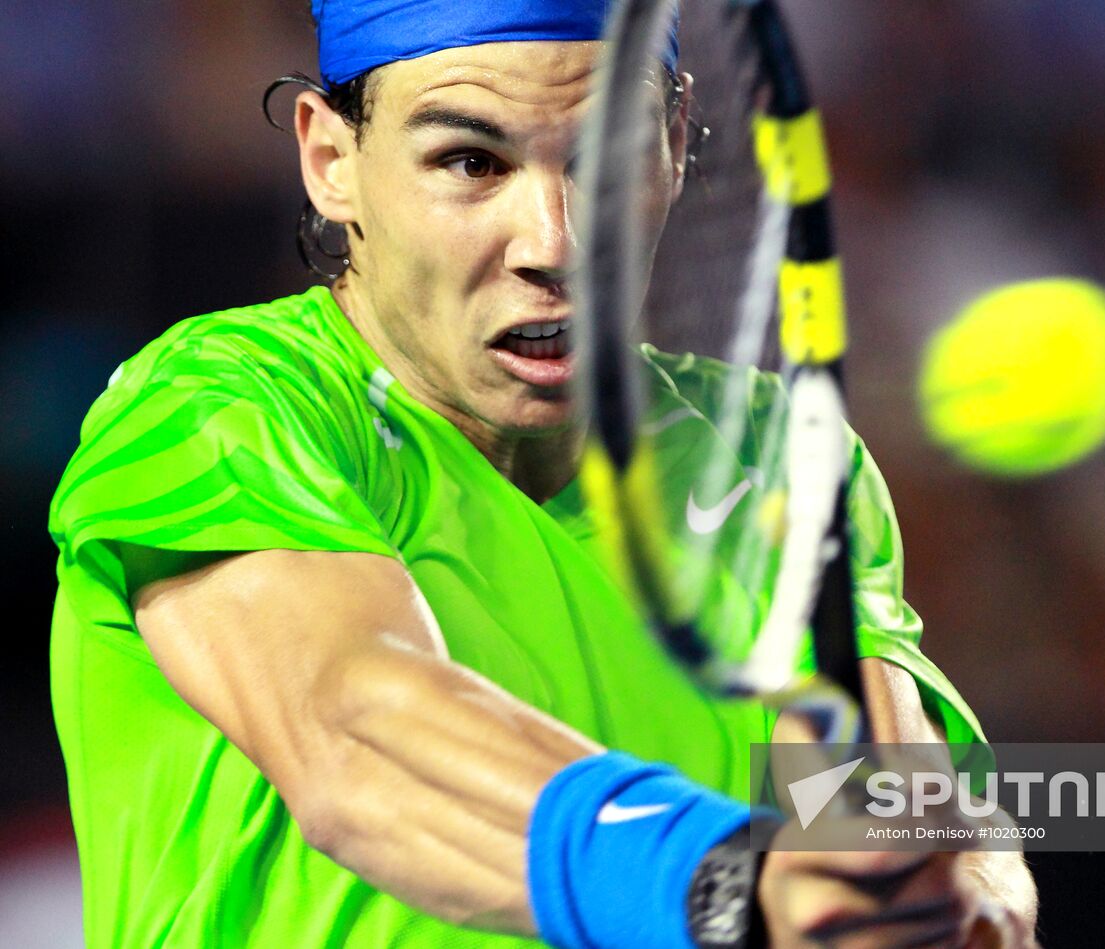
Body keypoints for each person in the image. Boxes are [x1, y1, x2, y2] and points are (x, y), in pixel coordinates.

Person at [48, 1, 1037, 945]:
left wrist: (961, 888)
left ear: (675, 137)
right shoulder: (219, 408)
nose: (555, 245)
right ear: (329, 160)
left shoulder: (771, 459)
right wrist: (723, 882)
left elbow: (904, 798)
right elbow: (358, 738)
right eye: (469, 162)